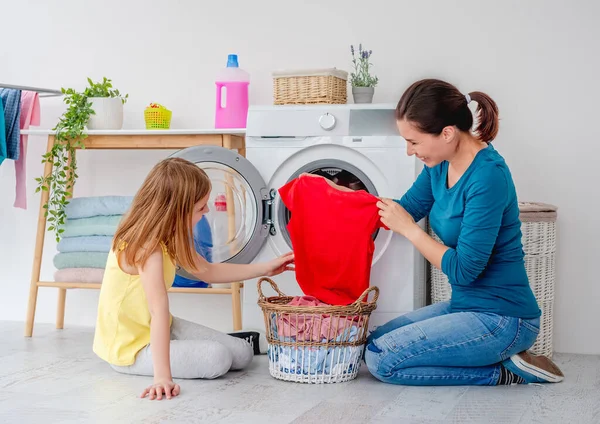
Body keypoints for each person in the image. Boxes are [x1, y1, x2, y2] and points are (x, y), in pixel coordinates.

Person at [322, 78, 564, 386]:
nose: (409, 151)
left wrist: (410, 231)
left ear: (447, 133)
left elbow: (464, 270)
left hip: (504, 319)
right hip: (465, 307)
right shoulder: (439, 164)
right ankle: (498, 359)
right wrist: (338, 195)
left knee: (383, 361)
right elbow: (404, 209)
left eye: (414, 141)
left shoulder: (488, 177)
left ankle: (504, 372)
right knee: (372, 343)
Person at [93, 157, 294, 400]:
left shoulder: (170, 235)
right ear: (177, 209)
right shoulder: (146, 248)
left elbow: (208, 271)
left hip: (162, 326)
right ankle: (200, 350)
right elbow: (157, 312)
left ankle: (236, 340)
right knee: (217, 359)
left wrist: (266, 268)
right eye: (201, 207)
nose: (207, 211)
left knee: (242, 355)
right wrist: (162, 377)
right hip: (130, 348)